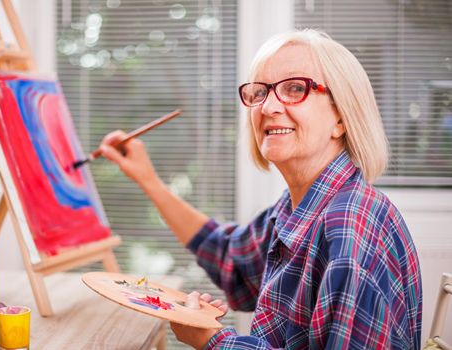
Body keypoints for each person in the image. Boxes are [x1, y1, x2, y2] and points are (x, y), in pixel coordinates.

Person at [98, 29, 423, 349]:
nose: (267, 108)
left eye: (295, 88)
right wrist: (148, 180)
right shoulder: (298, 206)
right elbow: (230, 259)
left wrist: (214, 341)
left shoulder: (350, 221)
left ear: (341, 117)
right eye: (259, 92)